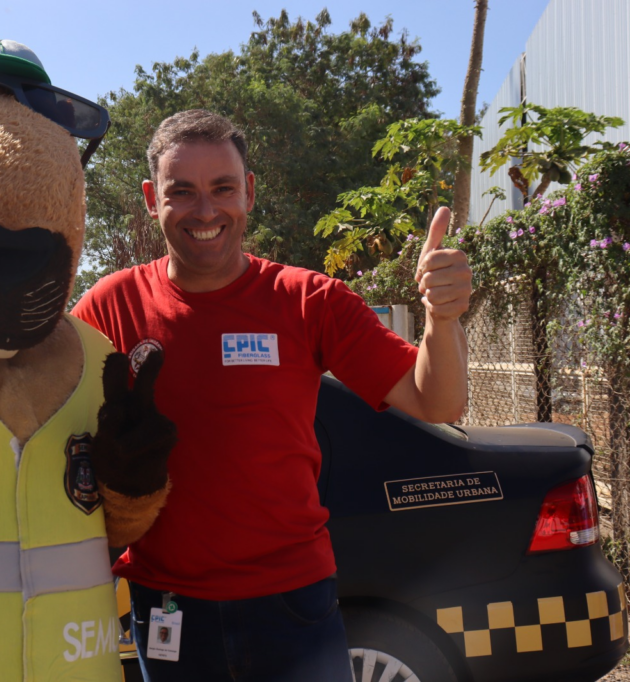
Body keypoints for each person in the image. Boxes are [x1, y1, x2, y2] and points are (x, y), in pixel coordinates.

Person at [71, 109, 471, 682]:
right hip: (167, 609)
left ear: (250, 192)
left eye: (223, 188)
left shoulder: (309, 300)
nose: (205, 211)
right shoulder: (112, 305)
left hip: (292, 603)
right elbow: (48, 419)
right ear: (151, 199)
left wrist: (443, 316)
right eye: (181, 192)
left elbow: (437, 403)